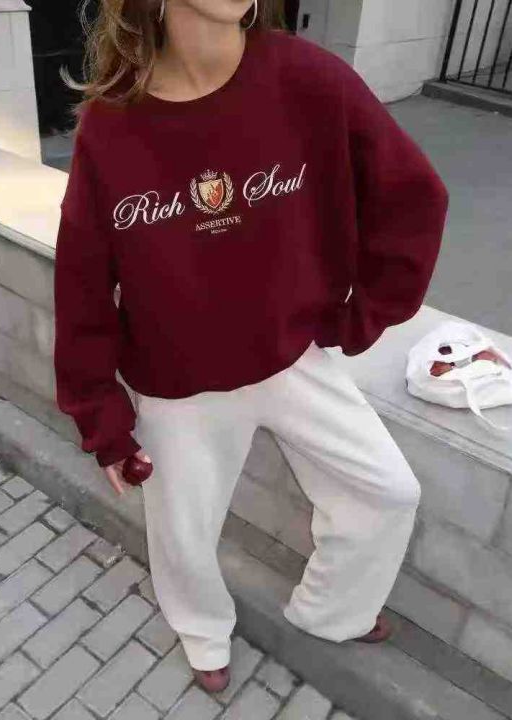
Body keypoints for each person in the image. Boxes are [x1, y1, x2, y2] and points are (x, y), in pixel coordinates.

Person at [53, 0, 449, 695]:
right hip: (179, 382)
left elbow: (413, 196)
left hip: (290, 357)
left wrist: (363, 314)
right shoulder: (113, 126)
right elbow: (82, 281)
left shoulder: (308, 78)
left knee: (388, 490)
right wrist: (100, 414)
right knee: (182, 531)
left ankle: (332, 610)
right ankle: (203, 630)